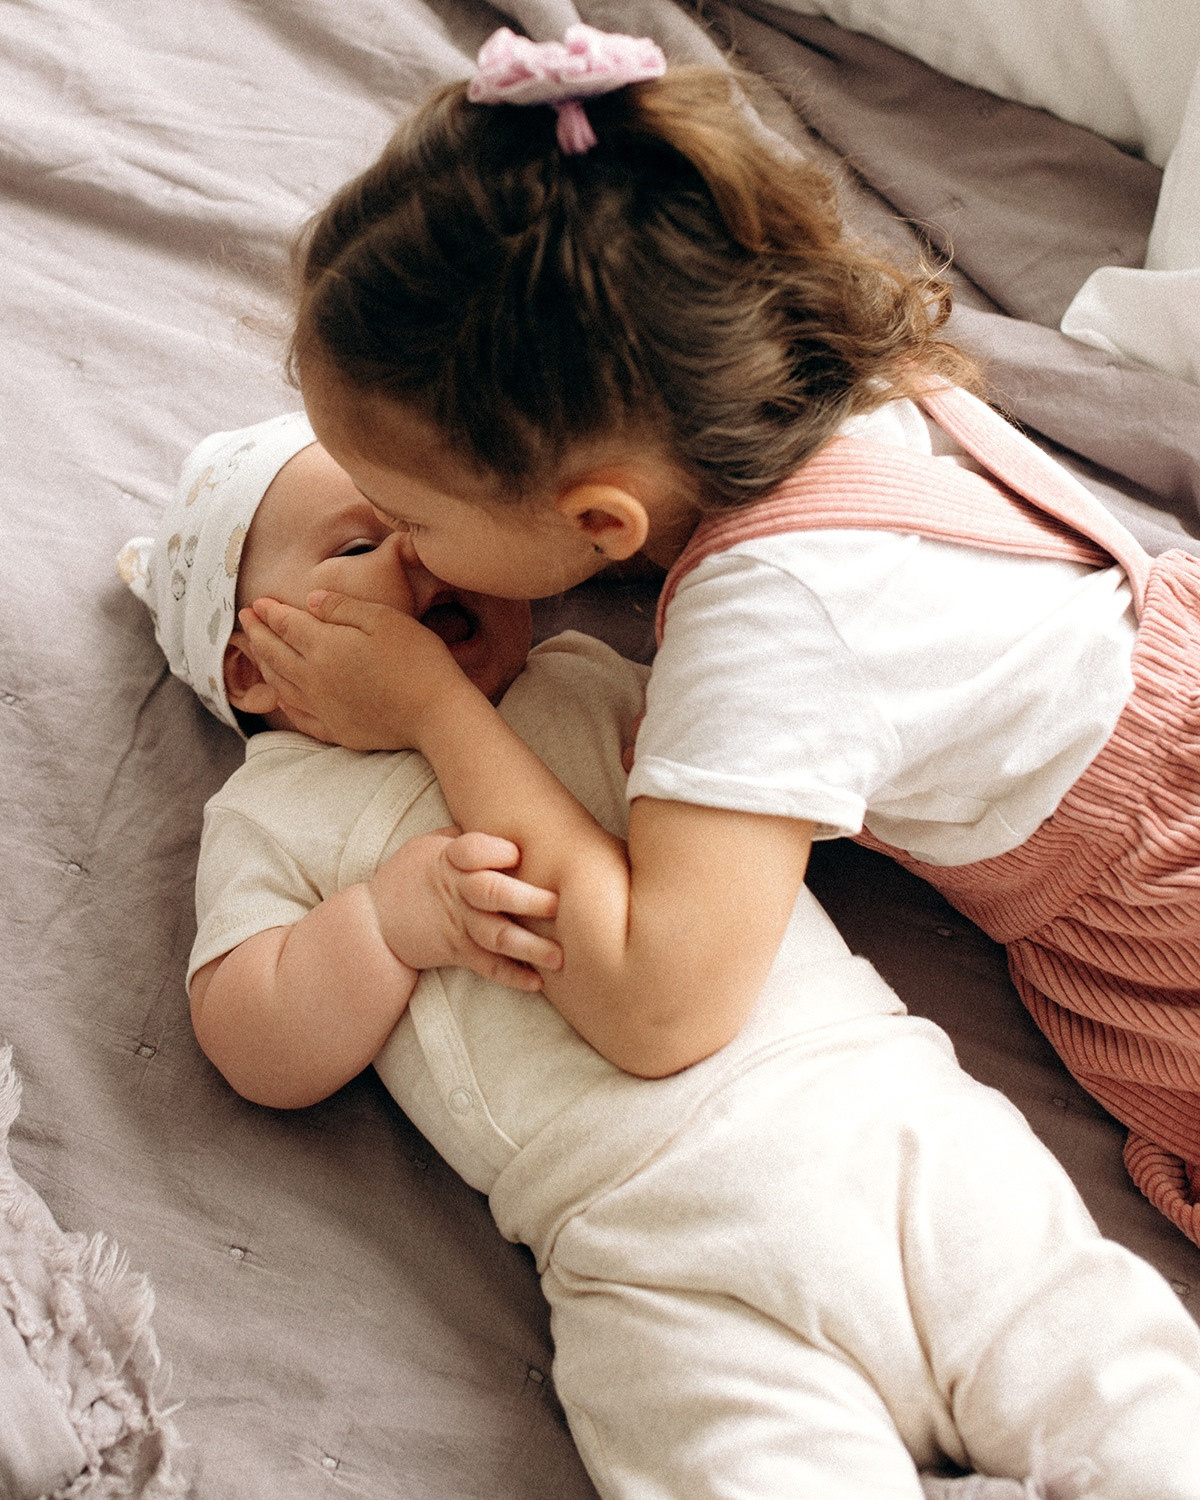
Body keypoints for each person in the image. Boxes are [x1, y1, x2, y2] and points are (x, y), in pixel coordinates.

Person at [235, 24, 1200, 1246]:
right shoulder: (842, 376)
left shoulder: (776, 615)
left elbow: (659, 1005)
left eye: (413, 517)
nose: (406, 549)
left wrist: (437, 708)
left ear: (600, 516)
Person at [121, 410, 1200, 1500]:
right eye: (361, 542)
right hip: (646, 1238)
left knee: (1109, 1375)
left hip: (889, 1121)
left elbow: (766, 763)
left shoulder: (587, 674)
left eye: (426, 524)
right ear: (251, 669)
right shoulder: (271, 814)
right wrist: (382, 927)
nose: (414, 552)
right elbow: (250, 1036)